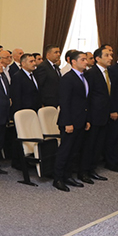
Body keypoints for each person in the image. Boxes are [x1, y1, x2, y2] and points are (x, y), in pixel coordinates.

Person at [52, 51, 90, 192]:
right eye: (83, 59)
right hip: (69, 121)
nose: (86, 62)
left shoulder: (83, 77)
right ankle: (58, 179)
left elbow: (84, 101)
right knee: (65, 151)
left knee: (74, 151)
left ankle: (67, 176)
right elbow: (65, 102)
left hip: (80, 120)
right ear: (73, 62)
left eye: (86, 59)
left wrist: (86, 119)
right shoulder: (68, 78)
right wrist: (67, 122)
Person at [79, 47, 112, 183]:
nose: (110, 58)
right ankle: (83, 171)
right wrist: (87, 117)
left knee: (98, 145)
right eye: (107, 55)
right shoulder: (91, 73)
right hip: (93, 116)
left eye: (111, 55)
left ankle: (92, 169)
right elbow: (87, 96)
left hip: (104, 115)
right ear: (98, 58)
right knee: (89, 145)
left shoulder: (107, 72)